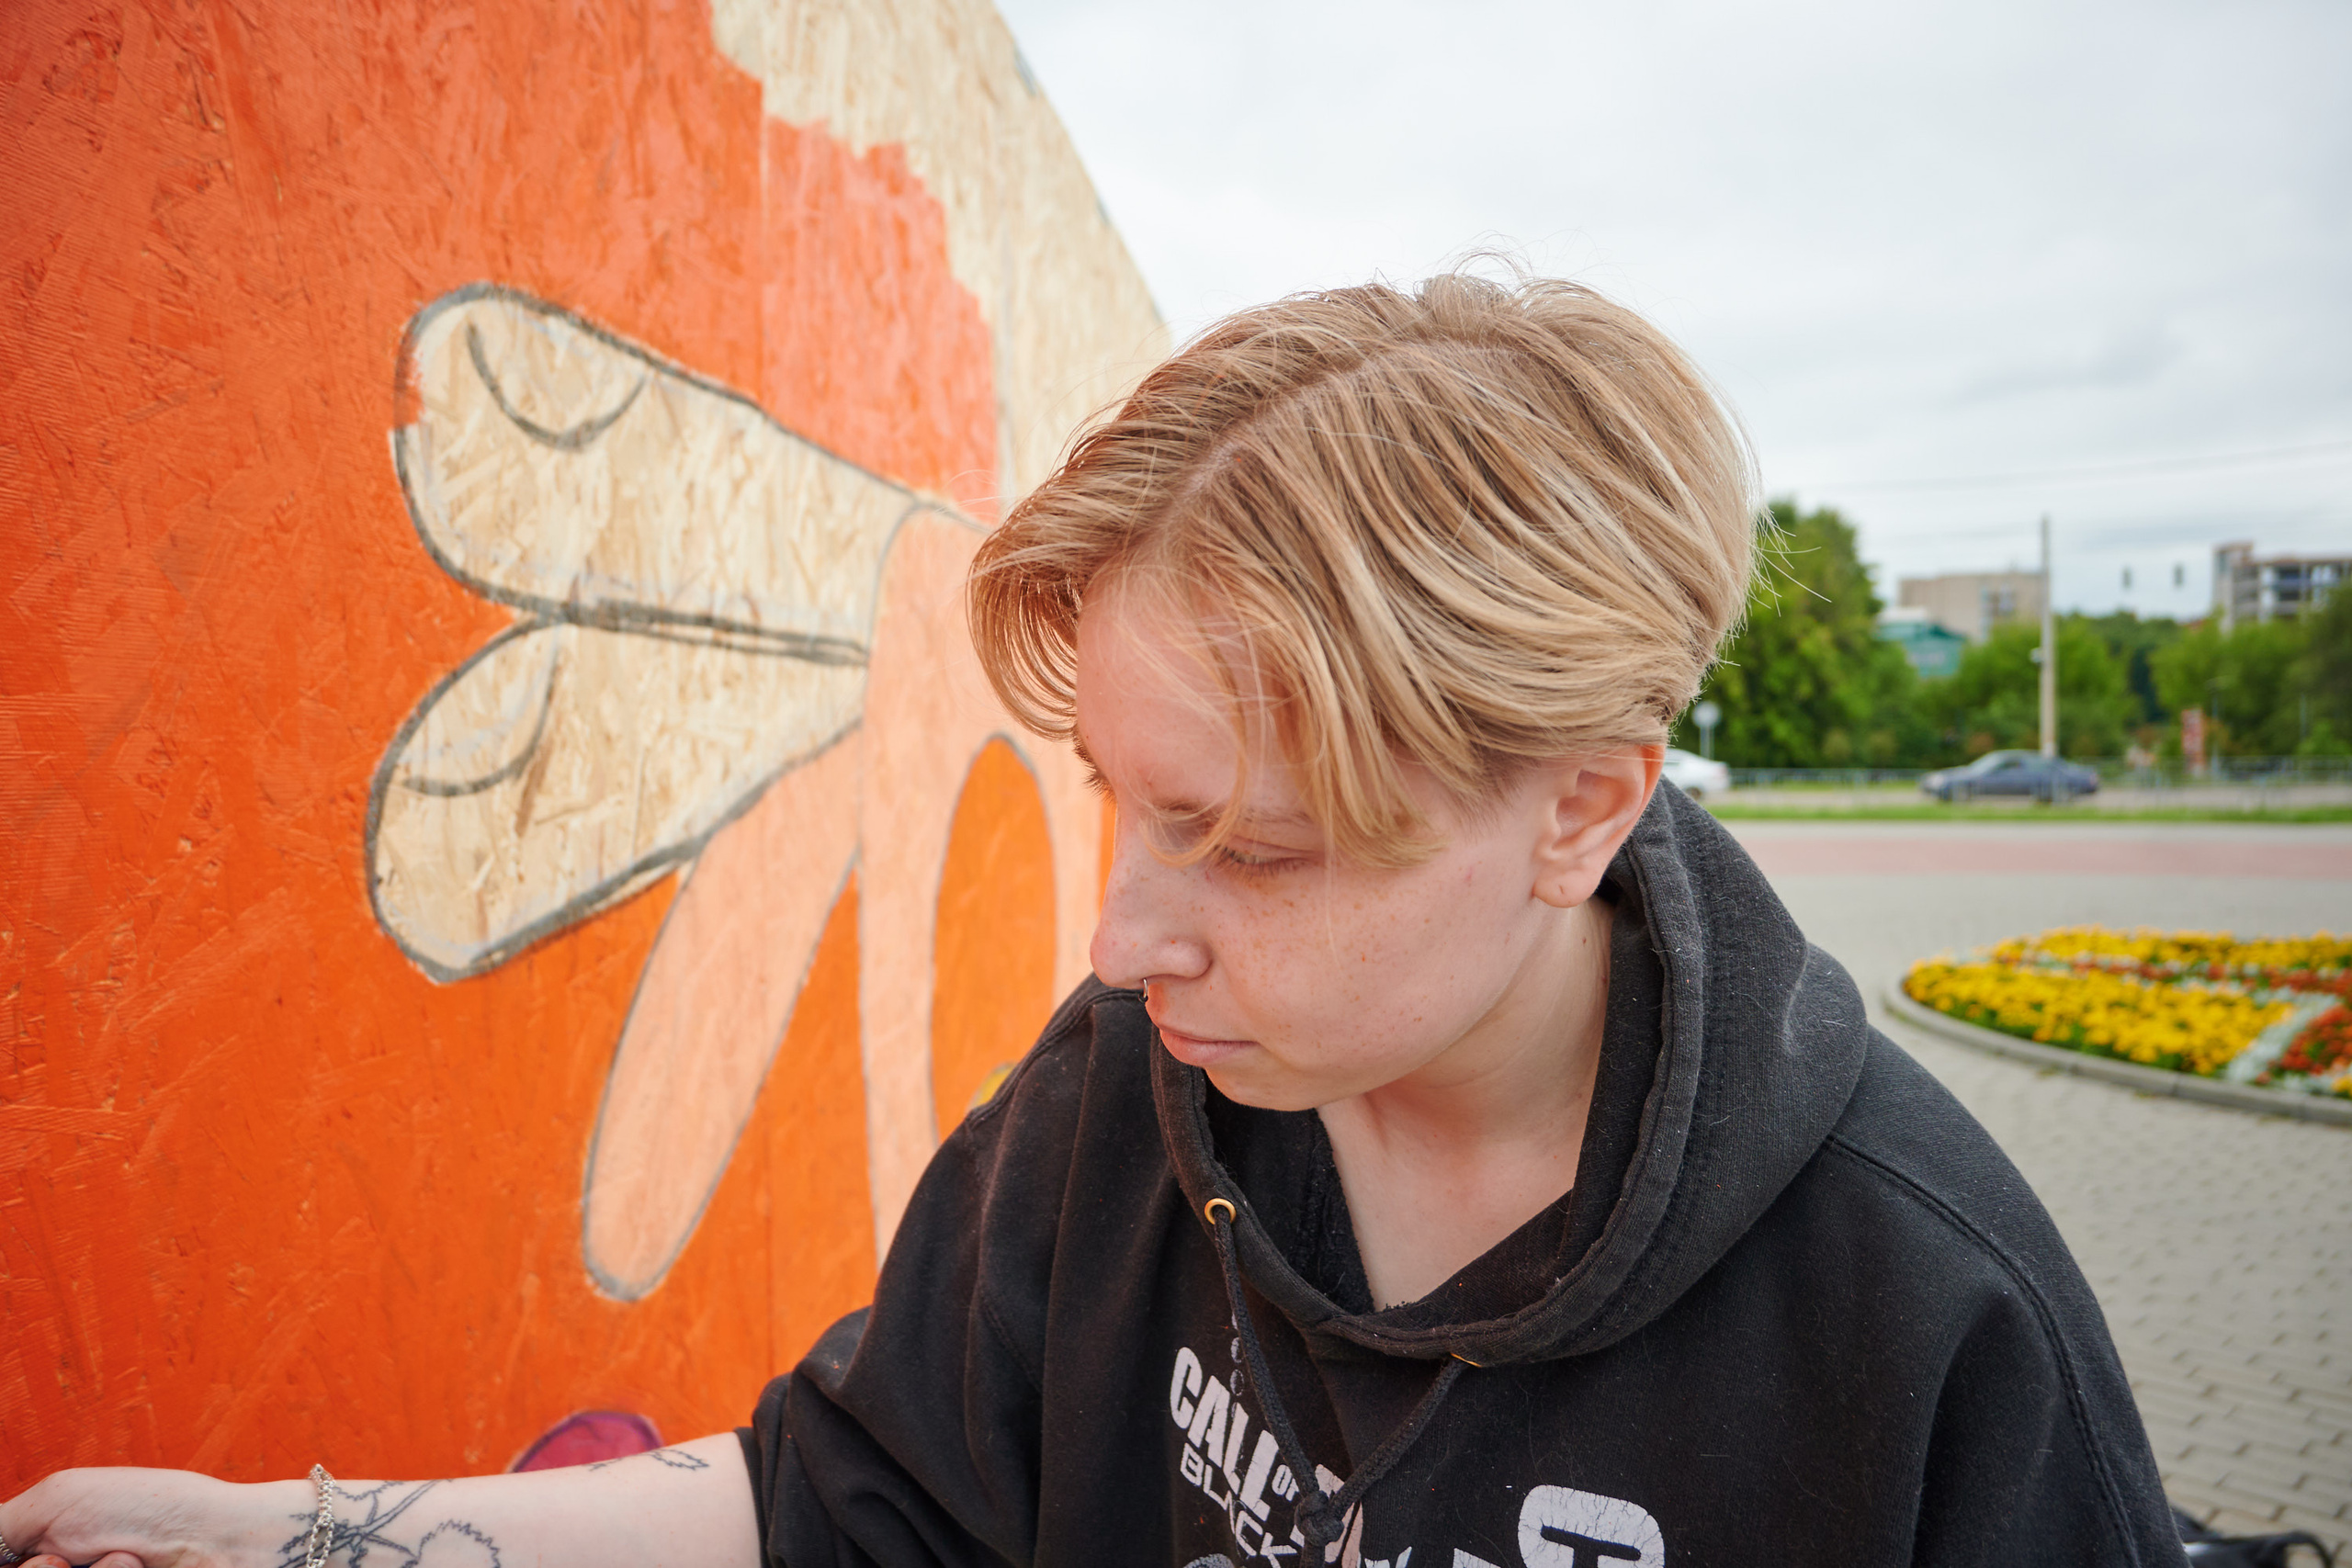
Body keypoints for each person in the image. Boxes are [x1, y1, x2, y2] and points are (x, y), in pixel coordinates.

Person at [1, 273, 2185, 1568]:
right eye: (1117, 803)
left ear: (1579, 805)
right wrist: (284, 1527)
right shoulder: (1136, 1086)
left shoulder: (1930, 1330)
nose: (1131, 931)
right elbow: (833, 1497)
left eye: (1252, 845)